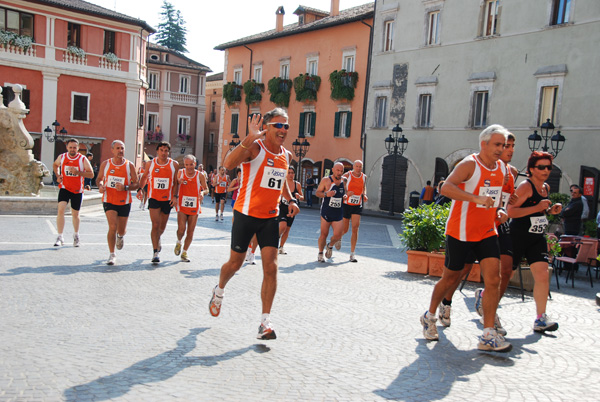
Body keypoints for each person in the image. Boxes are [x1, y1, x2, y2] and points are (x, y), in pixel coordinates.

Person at [209, 109, 299, 340]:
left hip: (270, 217)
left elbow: (281, 182)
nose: (283, 130)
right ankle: (219, 291)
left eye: (286, 126)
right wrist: (249, 137)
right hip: (245, 215)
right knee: (235, 264)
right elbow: (228, 164)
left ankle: (265, 323)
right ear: (266, 127)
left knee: (271, 267)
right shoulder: (255, 148)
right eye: (278, 126)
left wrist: (290, 199)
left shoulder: (286, 155)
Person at [419, 124, 511, 352]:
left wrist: (498, 210)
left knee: (493, 280)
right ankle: (430, 315)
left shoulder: (502, 168)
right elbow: (446, 188)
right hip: (461, 231)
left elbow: (494, 197)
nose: (501, 149)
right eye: (498, 144)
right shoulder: (470, 164)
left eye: (505, 145)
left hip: (487, 231)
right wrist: (474, 199)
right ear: (484, 143)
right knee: (451, 279)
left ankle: (488, 334)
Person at [507, 151, 562, 333]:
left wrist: (550, 211)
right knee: (506, 274)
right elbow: (511, 211)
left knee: (543, 274)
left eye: (549, 167)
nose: (546, 170)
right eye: (541, 167)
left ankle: (540, 318)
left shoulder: (545, 188)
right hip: (518, 235)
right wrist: (537, 207)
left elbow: (539, 212)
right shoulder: (525, 187)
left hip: (537, 237)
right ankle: (483, 296)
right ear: (531, 169)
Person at [471, 133, 519, 334]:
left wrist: (510, 201)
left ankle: (491, 311)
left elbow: (506, 197)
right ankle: (444, 302)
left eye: (511, 146)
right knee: (457, 272)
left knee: (505, 271)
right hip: (481, 223)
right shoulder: (486, 166)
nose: (508, 149)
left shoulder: (513, 171)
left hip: (501, 222)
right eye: (505, 145)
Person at [96, 140, 139, 265]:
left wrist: (125, 187)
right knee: (112, 227)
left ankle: (120, 237)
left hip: (124, 201)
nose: (120, 151)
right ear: (112, 150)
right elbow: (99, 179)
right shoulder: (106, 164)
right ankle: (112, 254)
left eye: (122, 148)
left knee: (121, 230)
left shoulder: (129, 165)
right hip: (109, 199)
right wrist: (100, 186)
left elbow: (136, 184)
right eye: (118, 148)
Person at [136, 141, 179, 263]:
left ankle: (158, 238)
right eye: (161, 150)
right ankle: (155, 252)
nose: (164, 153)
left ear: (168, 152)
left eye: (166, 151)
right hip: (154, 197)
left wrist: (175, 196)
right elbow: (144, 177)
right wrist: (140, 189)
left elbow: (176, 182)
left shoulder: (174, 164)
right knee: (155, 225)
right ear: (157, 151)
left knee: (162, 227)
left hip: (167, 199)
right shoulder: (150, 163)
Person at [52, 138, 94, 247]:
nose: (72, 149)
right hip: (65, 188)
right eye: (70, 147)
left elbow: (91, 174)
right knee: (60, 209)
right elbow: (55, 165)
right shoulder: (62, 157)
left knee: (75, 214)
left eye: (74, 147)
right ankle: (60, 236)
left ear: (78, 148)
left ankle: (76, 236)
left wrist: (78, 172)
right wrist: (58, 176)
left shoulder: (82, 159)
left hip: (77, 190)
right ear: (67, 148)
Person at [174, 154, 208, 262]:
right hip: (182, 205)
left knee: (190, 231)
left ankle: (184, 252)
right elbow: (174, 184)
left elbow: (207, 189)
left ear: (195, 164)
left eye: (191, 164)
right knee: (181, 229)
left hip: (194, 206)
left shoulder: (200, 175)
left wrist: (202, 192)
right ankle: (179, 241)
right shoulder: (180, 173)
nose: (189, 167)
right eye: (186, 164)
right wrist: (178, 182)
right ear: (184, 165)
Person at [316, 162, 345, 262]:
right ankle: (320, 253)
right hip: (326, 211)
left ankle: (330, 245)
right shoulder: (326, 180)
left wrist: (346, 196)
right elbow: (317, 193)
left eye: (341, 171)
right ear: (333, 170)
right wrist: (326, 194)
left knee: (338, 235)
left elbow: (344, 194)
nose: (339, 173)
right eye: (338, 170)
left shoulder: (344, 181)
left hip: (338, 212)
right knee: (324, 234)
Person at [341, 160, 368, 262]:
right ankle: (338, 237)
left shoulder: (364, 177)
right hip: (347, 204)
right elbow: (342, 186)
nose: (358, 168)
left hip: (357, 204)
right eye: (357, 166)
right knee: (345, 229)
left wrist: (364, 194)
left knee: (355, 228)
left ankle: (352, 254)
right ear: (353, 166)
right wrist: (346, 193)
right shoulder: (347, 175)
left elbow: (364, 187)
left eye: (360, 166)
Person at [278, 166, 304, 255]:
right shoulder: (282, 184)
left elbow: (303, 197)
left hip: (292, 210)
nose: (290, 175)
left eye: (292, 173)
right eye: (288, 173)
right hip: (283, 208)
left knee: (287, 229)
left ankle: (281, 247)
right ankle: (274, 240)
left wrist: (299, 197)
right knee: (282, 226)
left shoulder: (297, 184)